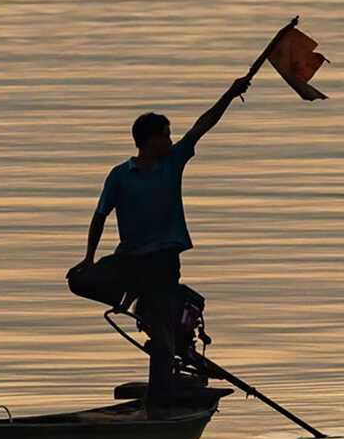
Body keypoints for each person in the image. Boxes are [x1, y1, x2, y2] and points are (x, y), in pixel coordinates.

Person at [82, 74, 251, 406]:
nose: (171, 140)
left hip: (162, 263)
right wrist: (88, 259)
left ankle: (163, 389)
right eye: (165, 135)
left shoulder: (172, 164)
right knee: (78, 278)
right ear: (149, 140)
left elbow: (203, 125)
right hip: (130, 261)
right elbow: (100, 215)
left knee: (160, 332)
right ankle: (129, 299)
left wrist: (230, 94)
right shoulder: (120, 175)